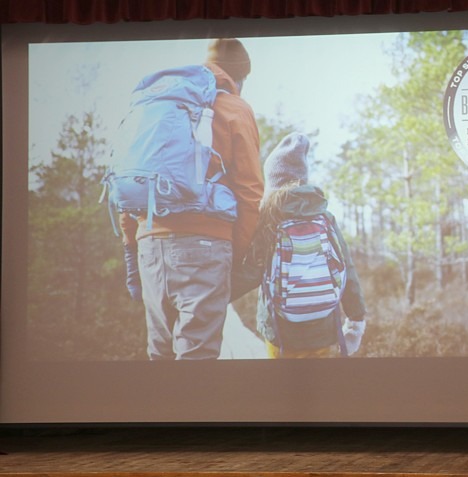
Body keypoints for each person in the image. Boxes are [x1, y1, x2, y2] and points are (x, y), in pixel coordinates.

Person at [121, 38, 263, 359]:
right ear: (239, 77)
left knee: (160, 355)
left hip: (149, 246)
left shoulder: (154, 102)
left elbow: (128, 183)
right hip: (205, 246)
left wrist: (133, 248)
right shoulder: (234, 107)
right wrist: (233, 255)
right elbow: (251, 192)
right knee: (197, 358)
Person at [232, 132, 367, 358]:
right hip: (323, 329)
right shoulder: (325, 218)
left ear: (273, 182)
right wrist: (356, 317)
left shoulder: (270, 220)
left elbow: (251, 273)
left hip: (281, 333)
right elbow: (347, 269)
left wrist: (213, 297)